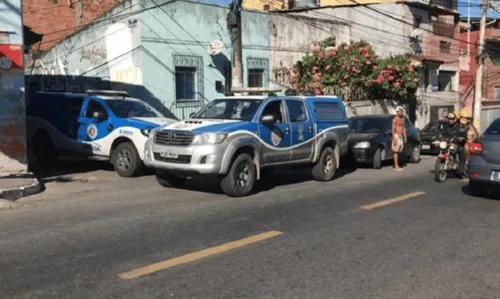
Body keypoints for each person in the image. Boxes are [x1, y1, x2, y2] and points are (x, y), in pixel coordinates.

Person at [392, 106, 407, 171]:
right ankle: (396, 166)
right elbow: (393, 129)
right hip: (396, 135)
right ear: (397, 112)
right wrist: (394, 138)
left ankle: (397, 164)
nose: (400, 112)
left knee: (400, 150)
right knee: (396, 151)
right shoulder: (395, 119)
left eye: (401, 111)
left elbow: (404, 128)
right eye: (399, 111)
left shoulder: (403, 119)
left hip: (401, 136)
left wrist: (405, 136)